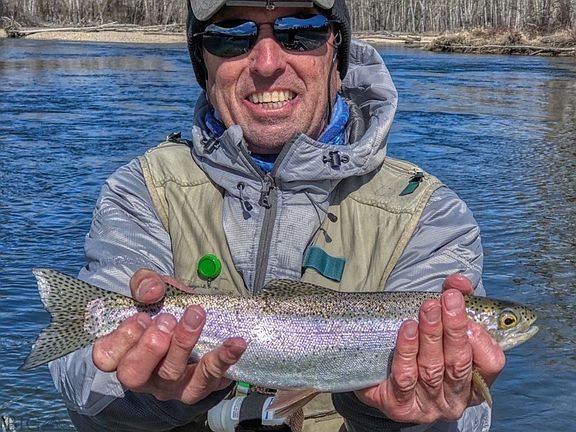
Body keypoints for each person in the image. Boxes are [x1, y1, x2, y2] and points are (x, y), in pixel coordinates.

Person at [48, 0, 505, 431]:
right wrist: (150, 392)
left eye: (301, 32)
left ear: (338, 58)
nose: (267, 63)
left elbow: (464, 417)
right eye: (231, 36)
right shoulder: (144, 189)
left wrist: (398, 416)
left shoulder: (428, 214)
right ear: (203, 64)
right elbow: (81, 379)